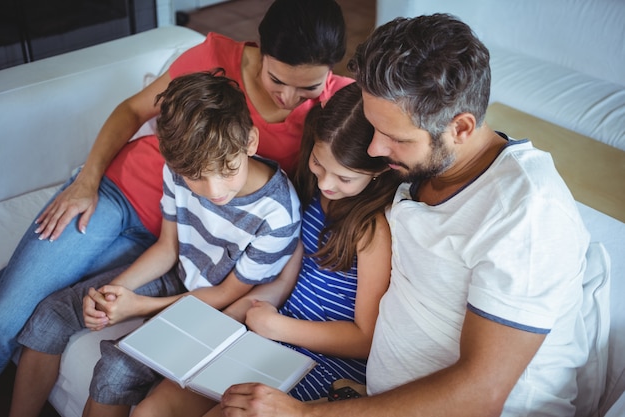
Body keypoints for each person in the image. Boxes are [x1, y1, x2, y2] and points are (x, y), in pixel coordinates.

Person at [218, 14, 592, 417]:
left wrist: (303, 414)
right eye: (375, 126)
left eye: (395, 137)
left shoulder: (528, 216)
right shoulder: (417, 169)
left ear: (461, 128)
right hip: (366, 393)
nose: (375, 149)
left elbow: (480, 395)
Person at [0, 0, 352, 373]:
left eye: (308, 88)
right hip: (119, 193)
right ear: (261, 51)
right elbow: (134, 111)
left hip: (181, 235)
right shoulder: (214, 58)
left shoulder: (337, 107)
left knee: (55, 303)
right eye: (277, 80)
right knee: (12, 306)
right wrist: (87, 180)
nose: (289, 98)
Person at [9, 70, 302, 417]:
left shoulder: (278, 216)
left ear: (250, 142)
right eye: (197, 178)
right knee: (53, 314)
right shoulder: (179, 169)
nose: (214, 190)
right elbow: (167, 247)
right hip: (180, 275)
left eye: (226, 169)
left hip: (218, 308)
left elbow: (226, 295)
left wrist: (136, 306)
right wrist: (114, 293)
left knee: (116, 369)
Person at [130, 82, 402, 417]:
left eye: (344, 178)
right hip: (270, 329)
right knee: (151, 409)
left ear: (377, 174)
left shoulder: (370, 229)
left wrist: (276, 327)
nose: (326, 184)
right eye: (319, 164)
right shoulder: (311, 193)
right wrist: (235, 318)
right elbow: (289, 270)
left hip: (323, 358)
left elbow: (365, 338)